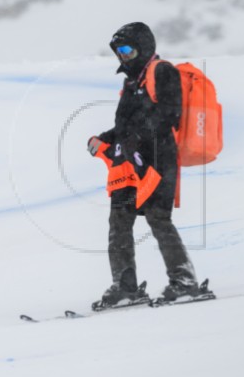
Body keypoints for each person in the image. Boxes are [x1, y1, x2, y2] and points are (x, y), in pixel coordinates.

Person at [87, 22, 205, 307]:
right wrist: (103, 139)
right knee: (119, 221)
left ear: (144, 46)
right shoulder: (131, 81)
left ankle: (184, 282)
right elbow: (124, 124)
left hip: (157, 159)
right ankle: (125, 287)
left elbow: (169, 114)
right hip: (128, 166)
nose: (123, 56)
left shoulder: (162, 71)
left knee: (158, 218)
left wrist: (138, 138)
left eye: (127, 49)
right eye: (119, 51)